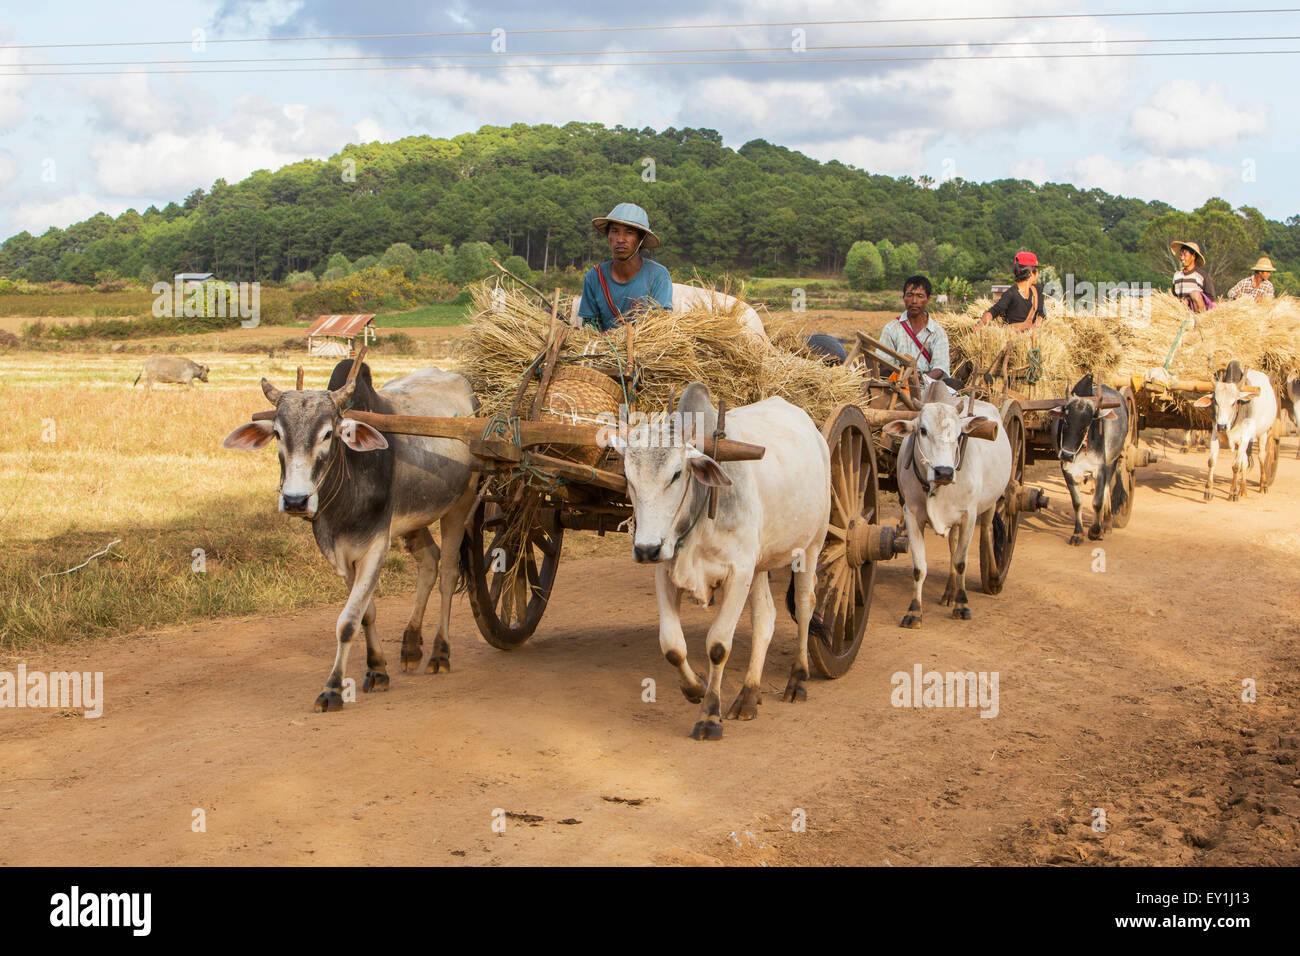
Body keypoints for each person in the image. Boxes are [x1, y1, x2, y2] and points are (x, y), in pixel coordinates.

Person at [576, 203, 672, 331]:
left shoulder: (658, 275)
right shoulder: (594, 276)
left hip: (644, 348)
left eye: (629, 232)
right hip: (604, 348)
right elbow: (590, 326)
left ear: (640, 239)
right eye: (615, 231)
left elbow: (659, 326)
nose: (620, 239)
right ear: (608, 236)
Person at [876, 274, 949, 380]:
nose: (914, 301)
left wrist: (918, 381)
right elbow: (883, 364)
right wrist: (902, 379)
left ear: (928, 299)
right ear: (904, 297)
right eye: (910, 295)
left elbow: (939, 369)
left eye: (920, 296)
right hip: (896, 384)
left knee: (953, 384)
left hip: (927, 387)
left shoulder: (937, 332)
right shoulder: (891, 329)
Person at [977, 251, 1046, 331]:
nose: (1038, 274)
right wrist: (981, 324)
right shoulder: (1010, 294)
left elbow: (1041, 312)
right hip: (1012, 338)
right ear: (1030, 273)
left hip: (1030, 337)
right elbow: (994, 311)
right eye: (1037, 270)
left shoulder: (1036, 291)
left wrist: (1035, 326)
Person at [1170, 240, 1216, 312]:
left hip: (1198, 310)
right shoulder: (1177, 276)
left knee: (1195, 294)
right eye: (1181, 255)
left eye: (1185, 255)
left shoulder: (1201, 275)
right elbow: (1174, 296)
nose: (1182, 258)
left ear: (1193, 256)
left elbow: (1211, 298)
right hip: (1182, 310)